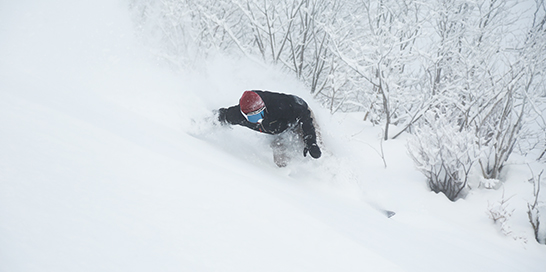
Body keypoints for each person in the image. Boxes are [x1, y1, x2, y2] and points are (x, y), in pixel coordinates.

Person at [217, 90, 321, 166]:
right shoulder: (236, 116)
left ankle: (328, 170)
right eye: (253, 117)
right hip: (279, 131)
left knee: (318, 147)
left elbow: (305, 117)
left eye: (261, 114)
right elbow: (218, 117)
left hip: (299, 120)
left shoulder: (281, 105)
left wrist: (311, 142)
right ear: (244, 115)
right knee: (280, 161)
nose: (259, 120)